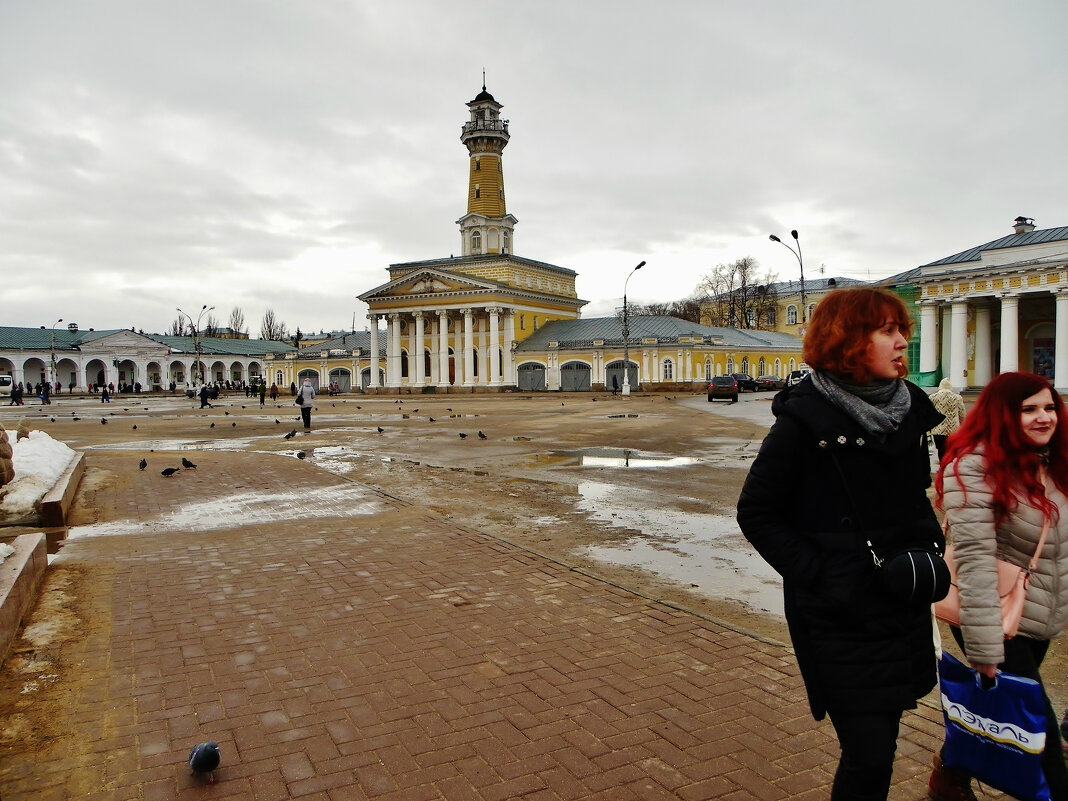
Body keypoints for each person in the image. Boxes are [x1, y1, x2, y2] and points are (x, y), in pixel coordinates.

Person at [737, 287, 946, 801]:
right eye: (888, 331)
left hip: (902, 602)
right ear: (850, 341)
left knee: (885, 741)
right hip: (840, 613)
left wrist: (930, 550)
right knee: (869, 754)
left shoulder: (909, 408)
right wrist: (830, 576)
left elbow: (913, 499)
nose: (903, 341)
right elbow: (757, 514)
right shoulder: (804, 422)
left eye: (902, 329)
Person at [932, 372, 1068, 801]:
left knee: (998, 708)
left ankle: (950, 774)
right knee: (1039, 733)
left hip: (1040, 612)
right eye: (1029, 409)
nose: (1044, 417)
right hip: (992, 614)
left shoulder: (1053, 461)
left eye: (1050, 407)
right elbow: (973, 564)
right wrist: (985, 650)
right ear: (1003, 414)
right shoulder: (973, 466)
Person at [930, 377, 966, 462]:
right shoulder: (957, 397)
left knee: (941, 450)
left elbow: (929, 413)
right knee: (951, 450)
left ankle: (942, 466)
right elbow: (962, 413)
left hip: (938, 429)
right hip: (953, 429)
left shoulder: (933, 397)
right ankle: (949, 466)